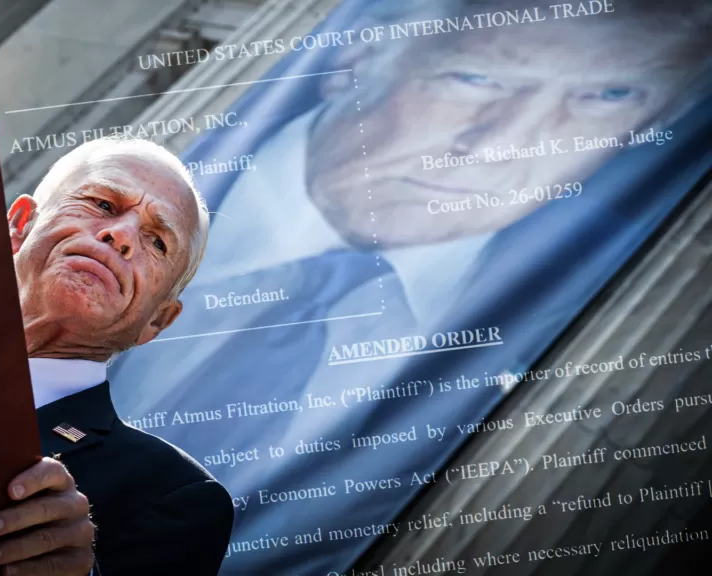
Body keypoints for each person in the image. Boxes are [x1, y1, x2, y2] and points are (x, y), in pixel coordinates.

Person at [109, 0, 712, 573]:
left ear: (653, 124)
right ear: (357, 57)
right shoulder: (136, 170)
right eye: (474, 78)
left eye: (608, 95)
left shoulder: (597, 348)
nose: (499, 146)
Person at [0, 137, 233, 576]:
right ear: (19, 225)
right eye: (102, 204)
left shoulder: (175, 497)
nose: (121, 235)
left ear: (157, 321)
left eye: (158, 242)